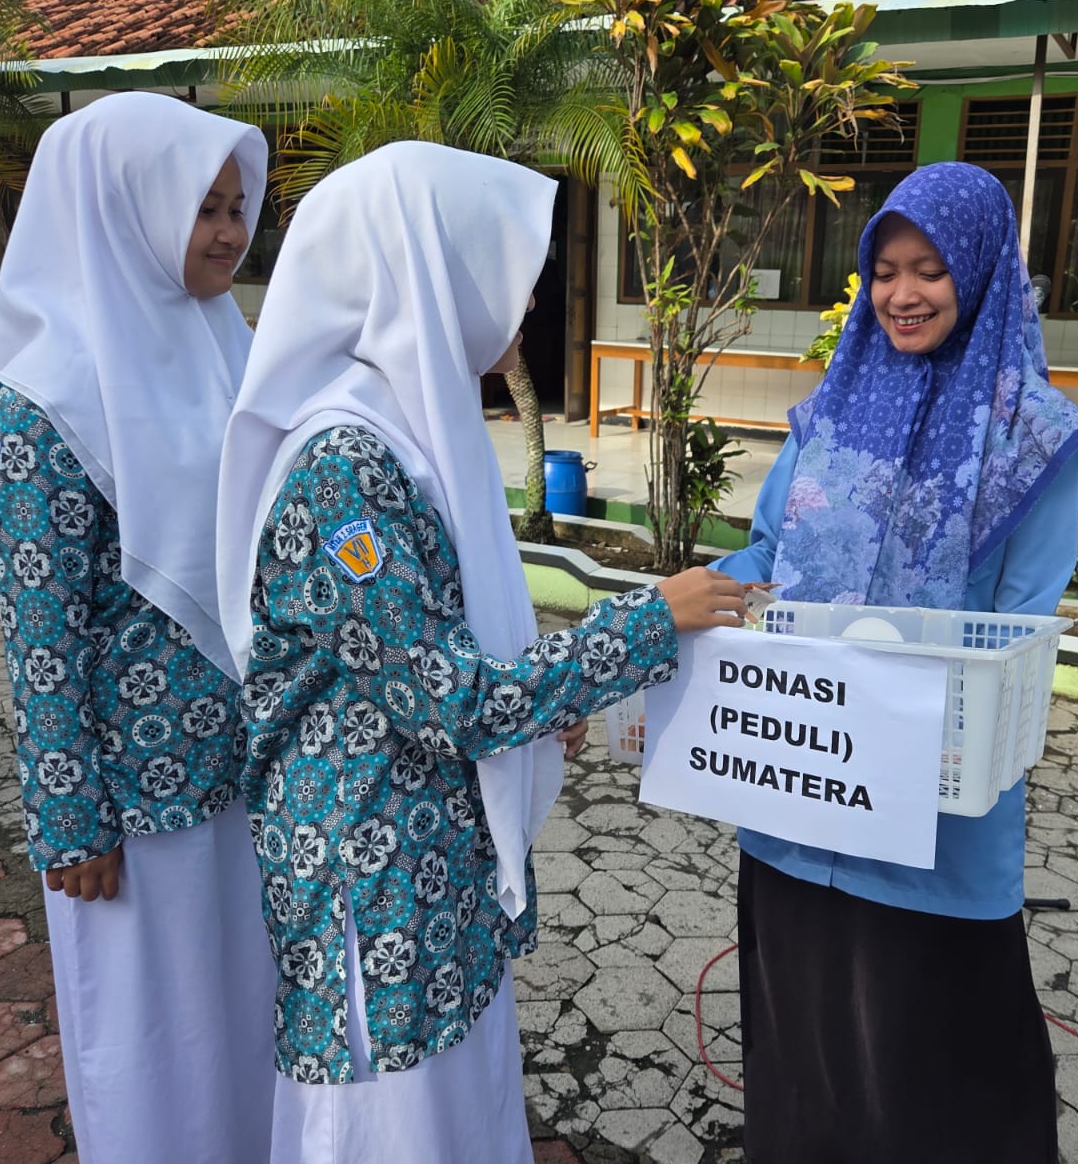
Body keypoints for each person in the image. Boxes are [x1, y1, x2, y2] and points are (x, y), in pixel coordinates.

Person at [213, 140, 748, 1162]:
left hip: (423, 859)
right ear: (428, 270)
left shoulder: (407, 425)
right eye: (507, 276)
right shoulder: (344, 465)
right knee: (386, 1125)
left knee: (452, 1111)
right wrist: (645, 622)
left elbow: (440, 648)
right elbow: (450, 696)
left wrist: (546, 706)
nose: (528, 303)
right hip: (369, 880)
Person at [715, 162, 1078, 1163]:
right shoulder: (833, 411)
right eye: (883, 270)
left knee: (940, 1075)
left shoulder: (1031, 442)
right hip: (799, 795)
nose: (901, 294)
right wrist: (676, 602)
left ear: (977, 270)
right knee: (806, 1061)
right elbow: (766, 556)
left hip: (931, 814)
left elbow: (1017, 625)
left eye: (928, 268)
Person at [0, 92, 276, 1164]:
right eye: (202, 206)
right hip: (130, 800)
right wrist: (69, 814)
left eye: (238, 205)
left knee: (247, 1007)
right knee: (153, 1030)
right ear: (123, 208)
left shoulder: (226, 346)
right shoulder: (45, 402)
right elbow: (39, 631)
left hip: (244, 761)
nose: (230, 233)